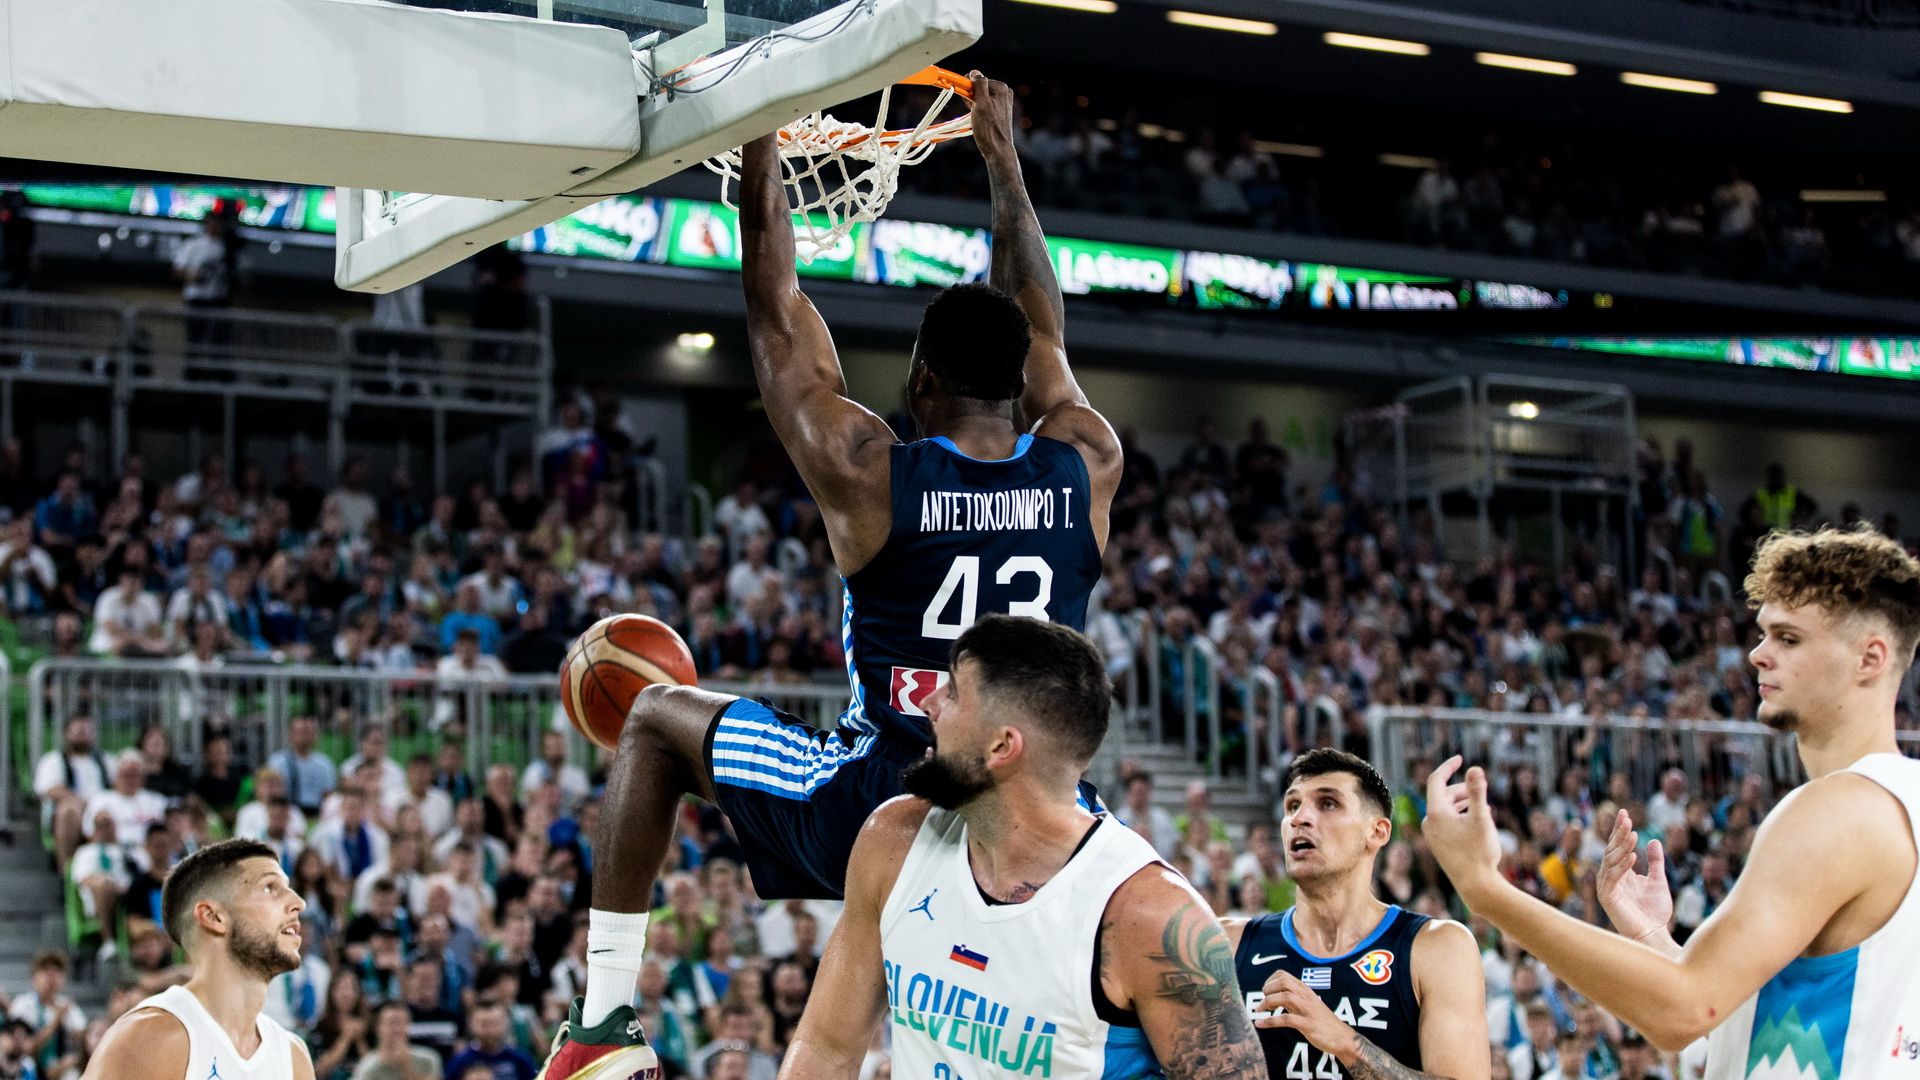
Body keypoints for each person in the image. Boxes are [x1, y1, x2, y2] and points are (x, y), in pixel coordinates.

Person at [537, 72, 1123, 1078]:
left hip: (886, 791)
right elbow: (1041, 326)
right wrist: (1002, 162)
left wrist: (760, 134)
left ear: (922, 381)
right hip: (1037, 814)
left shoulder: (871, 473)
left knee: (656, 719)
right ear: (1021, 380)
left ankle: (600, 1022)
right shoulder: (1088, 459)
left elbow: (778, 320)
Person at [1423, 527, 1920, 1074]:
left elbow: (1684, 1012)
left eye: (1788, 638)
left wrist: (1485, 889)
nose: (1758, 654)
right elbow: (1755, 1020)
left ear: (1870, 658)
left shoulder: (1837, 810)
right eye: (1763, 634)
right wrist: (1653, 939)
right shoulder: (1904, 800)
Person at [769, 616, 1261, 1079]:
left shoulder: (1147, 914)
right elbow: (827, 1048)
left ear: (1003, 746)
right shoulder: (893, 839)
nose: (927, 702)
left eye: (953, 692)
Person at [1228, 749, 1487, 1080]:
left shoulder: (1438, 948)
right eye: (1292, 805)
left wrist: (1346, 1043)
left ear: (1377, 832)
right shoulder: (1226, 944)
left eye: (1328, 803)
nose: (1299, 818)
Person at [79, 838, 314, 1080]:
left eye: (288, 888)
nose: (298, 902)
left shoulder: (293, 1055)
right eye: (268, 888)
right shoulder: (150, 1037)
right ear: (213, 917)